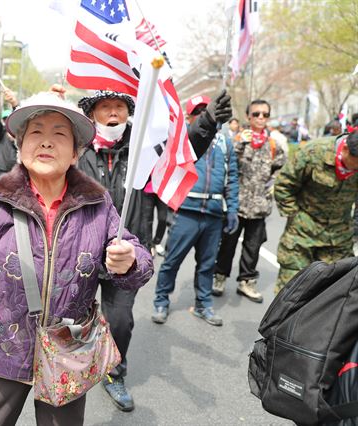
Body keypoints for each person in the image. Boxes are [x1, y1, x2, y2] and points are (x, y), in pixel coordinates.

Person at [0, 92, 154, 425]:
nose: (46, 142)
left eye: (59, 134)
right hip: (3, 348)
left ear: (76, 152)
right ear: (20, 145)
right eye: (36, 132)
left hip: (68, 350)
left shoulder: (98, 203)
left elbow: (140, 263)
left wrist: (129, 261)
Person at [76, 89, 231, 411]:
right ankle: (69, 366)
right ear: (92, 114)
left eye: (119, 107)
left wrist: (208, 121)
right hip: (78, 252)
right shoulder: (76, 148)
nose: (114, 113)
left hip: (127, 254)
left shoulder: (144, 149)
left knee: (120, 320)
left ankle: (114, 373)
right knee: (68, 316)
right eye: (106, 107)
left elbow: (183, 150)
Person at [152, 95, 239, 327]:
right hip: (186, 211)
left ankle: (203, 304)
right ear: (189, 117)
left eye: (206, 110)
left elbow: (232, 177)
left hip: (212, 213)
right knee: (172, 260)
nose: (202, 115)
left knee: (207, 264)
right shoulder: (182, 141)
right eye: (197, 112)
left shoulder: (225, 141)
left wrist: (232, 209)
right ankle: (161, 300)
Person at [213, 99, 286, 303]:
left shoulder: (273, 144)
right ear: (248, 117)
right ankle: (219, 277)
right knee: (227, 244)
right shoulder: (236, 140)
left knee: (253, 247)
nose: (261, 118)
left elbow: (281, 169)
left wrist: (274, 185)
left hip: (260, 207)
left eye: (265, 114)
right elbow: (225, 165)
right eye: (256, 114)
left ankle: (246, 282)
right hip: (235, 205)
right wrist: (238, 144)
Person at [273, 130, 358, 293]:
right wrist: (296, 217)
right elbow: (284, 185)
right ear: (346, 149)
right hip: (302, 233)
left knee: (332, 294)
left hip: (339, 238)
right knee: (292, 291)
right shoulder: (314, 152)